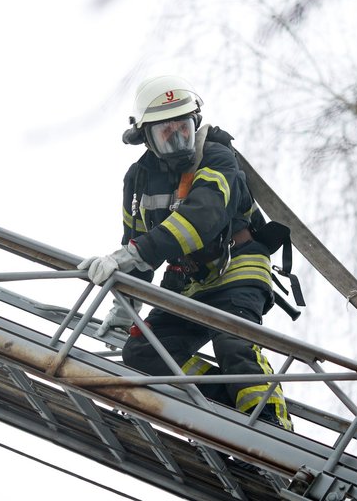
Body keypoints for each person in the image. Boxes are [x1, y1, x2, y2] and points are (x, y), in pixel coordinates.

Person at [78, 75, 292, 431]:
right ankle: (223, 399)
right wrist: (123, 307)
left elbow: (203, 218)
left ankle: (270, 422)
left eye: (184, 128)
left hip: (236, 266)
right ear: (146, 136)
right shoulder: (138, 180)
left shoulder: (218, 157)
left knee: (233, 341)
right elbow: (138, 243)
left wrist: (128, 256)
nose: (179, 139)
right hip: (185, 279)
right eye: (167, 132)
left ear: (195, 123)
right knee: (143, 354)